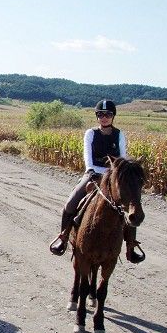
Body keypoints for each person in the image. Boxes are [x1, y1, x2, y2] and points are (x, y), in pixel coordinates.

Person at [49, 99, 144, 263]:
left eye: (107, 114)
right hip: (93, 173)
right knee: (71, 203)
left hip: (113, 176)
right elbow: (87, 154)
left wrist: (117, 174)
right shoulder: (91, 133)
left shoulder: (119, 134)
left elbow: (122, 157)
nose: (104, 117)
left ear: (113, 116)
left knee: (129, 206)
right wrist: (90, 170)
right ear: (97, 117)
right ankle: (64, 236)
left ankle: (131, 246)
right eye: (101, 114)